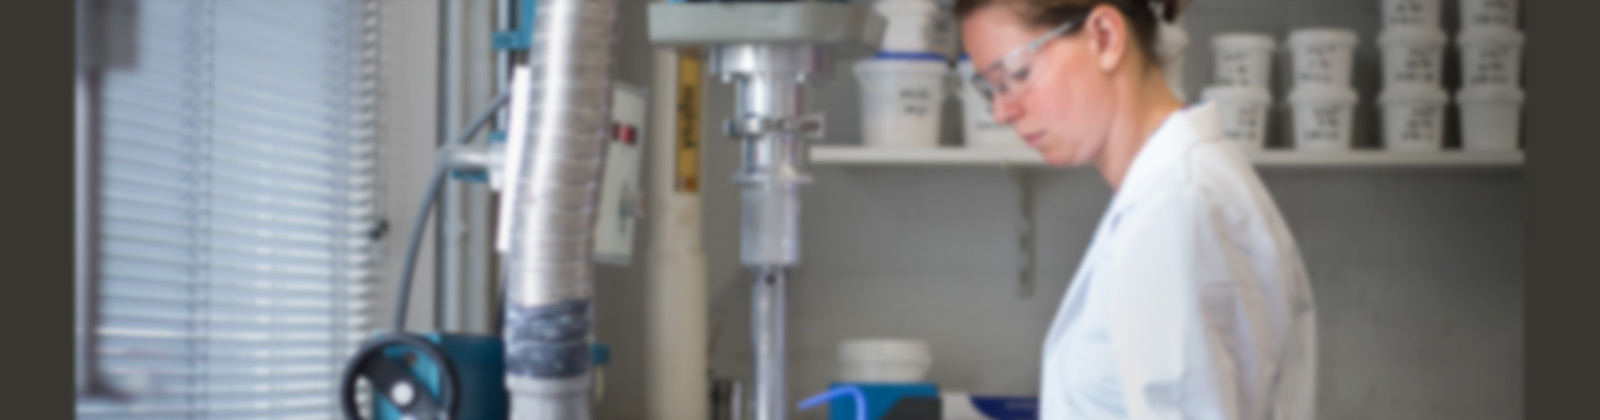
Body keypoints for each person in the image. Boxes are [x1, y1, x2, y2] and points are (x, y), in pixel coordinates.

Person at [954, 1, 1318, 419]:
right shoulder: (1164, 193)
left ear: (1105, 37)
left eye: (1017, 74)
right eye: (990, 88)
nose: (1001, 112)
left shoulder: (1177, 205)